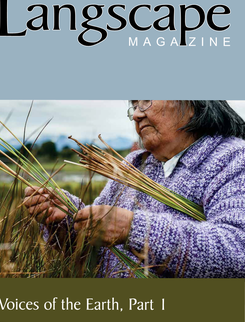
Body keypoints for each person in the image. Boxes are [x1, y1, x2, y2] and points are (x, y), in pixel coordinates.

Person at [24, 100, 245, 278]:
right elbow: (95, 252)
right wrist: (66, 222)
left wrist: (134, 229)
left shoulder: (233, 159)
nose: (137, 115)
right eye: (135, 105)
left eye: (147, 101)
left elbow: (237, 252)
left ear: (192, 105)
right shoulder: (135, 165)